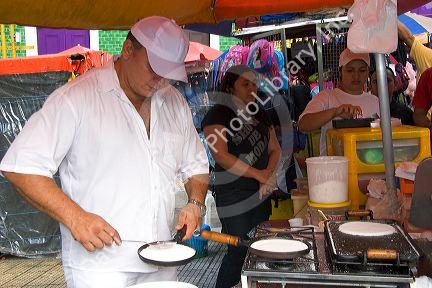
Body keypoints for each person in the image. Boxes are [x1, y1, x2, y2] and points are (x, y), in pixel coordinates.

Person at [0, 16, 209, 287]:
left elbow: (196, 166)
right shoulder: (77, 98)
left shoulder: (173, 101)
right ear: (127, 49)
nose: (159, 80)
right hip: (100, 267)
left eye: (166, 72)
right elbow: (21, 166)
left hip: (162, 257)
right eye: (153, 68)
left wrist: (195, 203)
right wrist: (75, 217)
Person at [201, 65, 281, 288]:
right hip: (233, 194)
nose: (252, 88)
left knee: (259, 249)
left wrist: (267, 175)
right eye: (246, 84)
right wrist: (261, 175)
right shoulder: (217, 114)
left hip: (261, 192)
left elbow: (275, 148)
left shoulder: (260, 112)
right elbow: (222, 156)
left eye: (255, 84)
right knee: (238, 249)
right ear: (230, 87)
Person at [298, 48, 380, 155]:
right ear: (340, 71)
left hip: (367, 166)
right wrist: (335, 112)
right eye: (350, 70)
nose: (356, 76)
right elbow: (303, 125)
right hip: (334, 169)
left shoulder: (375, 101)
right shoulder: (326, 97)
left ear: (368, 72)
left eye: (362, 70)